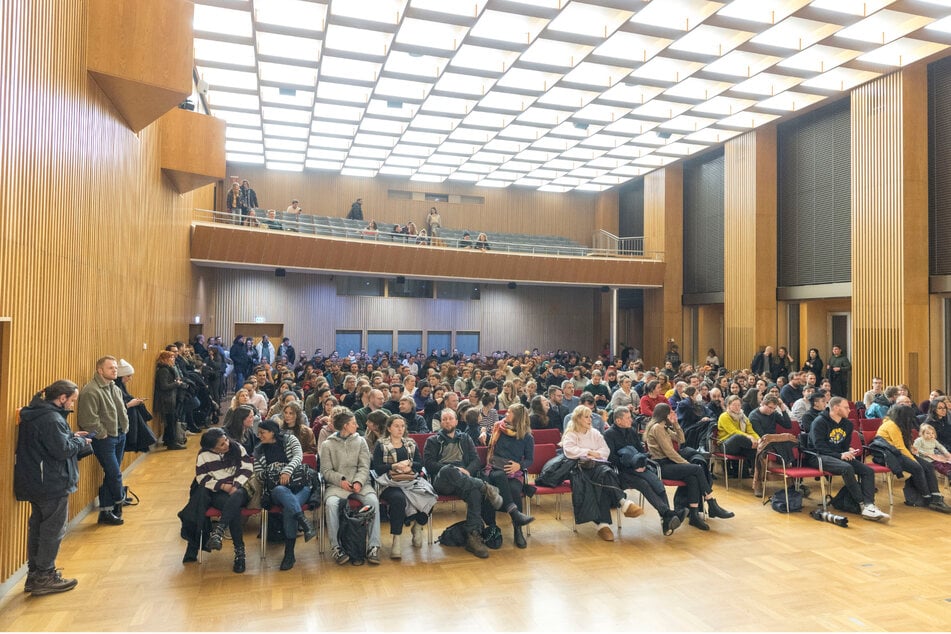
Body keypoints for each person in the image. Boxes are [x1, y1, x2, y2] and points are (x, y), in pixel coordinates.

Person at [14, 380, 91, 595]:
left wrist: (71, 437)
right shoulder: (51, 419)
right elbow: (61, 450)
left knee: (38, 529)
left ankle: (35, 575)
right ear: (62, 398)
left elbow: (51, 444)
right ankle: (45, 576)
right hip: (51, 482)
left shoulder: (37, 413)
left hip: (37, 481)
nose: (72, 405)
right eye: (72, 400)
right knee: (52, 531)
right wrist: (80, 442)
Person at [424, 409, 504, 558]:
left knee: (474, 493)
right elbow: (428, 464)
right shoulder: (432, 440)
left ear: (456, 421)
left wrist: (466, 470)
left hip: (464, 481)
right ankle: (485, 487)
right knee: (449, 469)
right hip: (443, 481)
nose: (447, 421)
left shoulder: (465, 438)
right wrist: (455, 469)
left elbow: (475, 460)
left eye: (450, 418)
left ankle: (473, 537)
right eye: (445, 419)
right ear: (441, 422)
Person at [644, 403, 733, 531]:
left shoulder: (664, 427)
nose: (674, 414)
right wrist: (686, 463)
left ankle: (694, 515)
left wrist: (675, 424)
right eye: (671, 412)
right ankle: (711, 502)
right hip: (661, 465)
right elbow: (669, 452)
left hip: (669, 462)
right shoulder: (657, 427)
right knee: (696, 468)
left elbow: (681, 439)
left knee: (692, 477)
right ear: (665, 414)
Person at [561, 405, 643, 541]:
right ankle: (623, 503)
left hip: (597, 466)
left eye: (590, 416)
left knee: (606, 474)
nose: (590, 419)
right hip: (579, 468)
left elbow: (605, 450)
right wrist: (588, 452)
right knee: (604, 475)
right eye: (586, 417)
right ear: (578, 419)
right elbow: (569, 450)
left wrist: (595, 454)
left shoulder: (595, 433)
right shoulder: (571, 433)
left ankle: (603, 524)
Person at [604, 406, 683, 536]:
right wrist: (631, 464)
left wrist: (641, 463)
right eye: (628, 418)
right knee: (644, 484)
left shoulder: (632, 431)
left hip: (639, 467)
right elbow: (611, 458)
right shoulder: (609, 434)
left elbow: (641, 451)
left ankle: (667, 518)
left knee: (657, 483)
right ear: (618, 421)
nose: (631, 420)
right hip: (622, 471)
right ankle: (668, 514)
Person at [808, 396, 890, 521]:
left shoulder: (847, 424)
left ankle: (869, 505)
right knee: (847, 467)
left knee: (868, 471)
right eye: (846, 408)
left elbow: (844, 446)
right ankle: (861, 504)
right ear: (836, 408)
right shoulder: (819, 422)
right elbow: (819, 447)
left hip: (838, 455)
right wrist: (840, 455)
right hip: (818, 456)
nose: (849, 410)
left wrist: (848, 451)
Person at [320, 407, 383, 565]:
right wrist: (340, 480)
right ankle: (336, 547)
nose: (357, 425)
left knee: (373, 502)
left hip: (360, 483)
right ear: (345, 426)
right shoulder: (328, 445)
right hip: (337, 485)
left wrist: (358, 481)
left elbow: (364, 466)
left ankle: (373, 546)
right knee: (331, 504)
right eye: (354, 423)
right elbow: (326, 470)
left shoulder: (361, 441)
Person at [370, 414, 436, 559]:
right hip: (389, 482)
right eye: (396, 426)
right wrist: (394, 466)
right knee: (398, 500)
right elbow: (377, 468)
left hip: (410, 479)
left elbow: (420, 464)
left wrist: (410, 465)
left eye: (402, 426)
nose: (400, 429)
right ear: (388, 428)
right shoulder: (381, 444)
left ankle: (418, 525)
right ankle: (397, 540)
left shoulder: (410, 443)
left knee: (429, 494)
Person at [187, 428, 253, 572]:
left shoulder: (237, 448)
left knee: (237, 497)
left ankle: (219, 531)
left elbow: (248, 468)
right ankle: (239, 554)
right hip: (219, 492)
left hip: (240, 489)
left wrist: (235, 485)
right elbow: (202, 478)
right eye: (222, 445)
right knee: (233, 510)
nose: (227, 444)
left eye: (226, 440)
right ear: (212, 448)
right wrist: (222, 486)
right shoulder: (203, 455)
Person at [254, 419, 317, 570]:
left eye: (263, 433)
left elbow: (298, 457)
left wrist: (286, 470)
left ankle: (289, 554)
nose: (259, 436)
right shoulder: (259, 450)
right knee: (282, 491)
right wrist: (273, 471)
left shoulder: (290, 439)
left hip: (300, 485)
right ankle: (304, 523)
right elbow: (259, 474)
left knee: (290, 507)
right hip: (277, 490)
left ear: (273, 432)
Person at [77, 356, 130, 526]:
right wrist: (103, 433)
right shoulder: (91, 390)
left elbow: (121, 410)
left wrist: (125, 427)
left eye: (115, 367)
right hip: (105, 439)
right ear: (100, 370)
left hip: (120, 435)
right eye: (110, 368)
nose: (115, 370)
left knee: (111, 474)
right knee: (115, 474)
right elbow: (87, 419)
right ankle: (119, 499)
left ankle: (106, 512)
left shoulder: (115, 388)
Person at [875, 404, 951, 513]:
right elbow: (900, 447)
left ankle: (936, 496)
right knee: (918, 468)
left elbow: (903, 445)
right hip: (891, 455)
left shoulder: (898, 424)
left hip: (898, 453)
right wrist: (914, 459)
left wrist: (911, 448)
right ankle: (927, 497)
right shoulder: (891, 425)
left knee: (929, 466)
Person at [481, 404, 535, 548]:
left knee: (514, 490)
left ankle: (518, 530)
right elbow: (490, 445)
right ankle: (506, 520)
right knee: (495, 481)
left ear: (517, 417)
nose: (506, 414)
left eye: (509, 413)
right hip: (493, 468)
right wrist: (483, 434)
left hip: (514, 472)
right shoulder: (499, 427)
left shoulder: (527, 436)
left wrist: (519, 466)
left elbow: (530, 459)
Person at [716, 395, 758, 478]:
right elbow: (733, 432)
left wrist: (758, 439)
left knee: (758, 450)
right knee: (738, 437)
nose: (737, 407)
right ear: (728, 405)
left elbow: (751, 431)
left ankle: (757, 475)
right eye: (734, 405)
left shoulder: (743, 417)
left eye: (738, 405)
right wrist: (749, 437)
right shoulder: (724, 416)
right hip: (725, 444)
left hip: (741, 445)